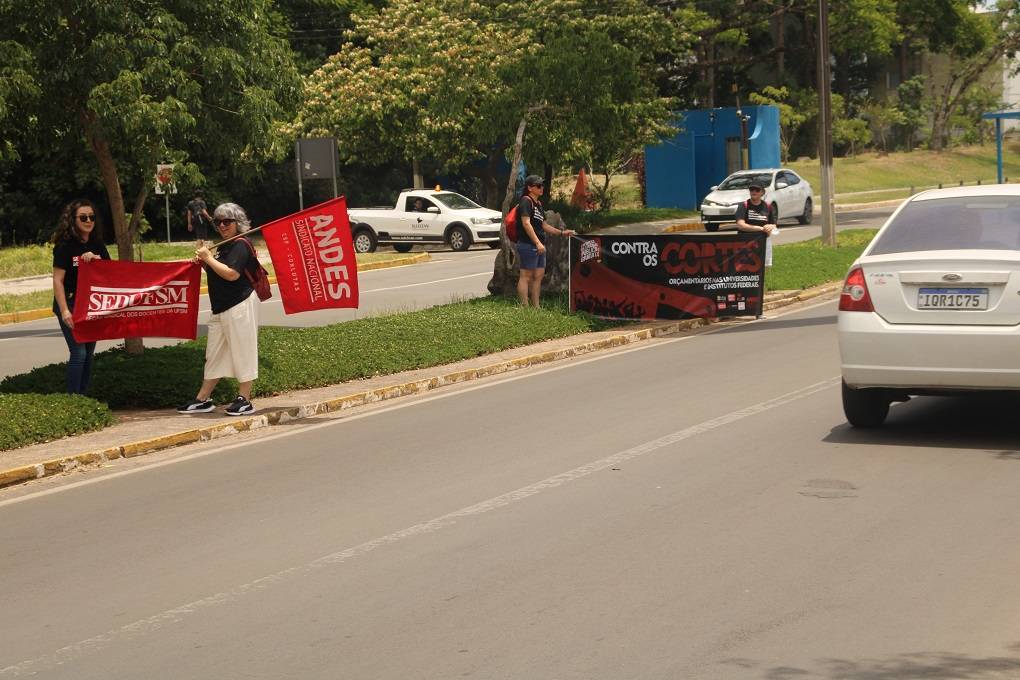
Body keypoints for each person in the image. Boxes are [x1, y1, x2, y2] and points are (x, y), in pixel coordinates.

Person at [177, 203, 260, 416]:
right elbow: (218, 271)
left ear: (237, 222)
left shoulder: (241, 244)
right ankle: (203, 398)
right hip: (220, 307)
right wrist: (204, 263)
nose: (222, 225)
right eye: (218, 221)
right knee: (213, 355)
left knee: (243, 349)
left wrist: (208, 258)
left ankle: (245, 398)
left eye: (227, 221)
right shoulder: (225, 245)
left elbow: (232, 273)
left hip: (239, 304)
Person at [51, 199, 111, 395]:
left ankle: (83, 397)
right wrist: (65, 311)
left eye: (91, 217)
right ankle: (73, 398)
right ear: (73, 220)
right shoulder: (65, 246)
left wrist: (97, 259)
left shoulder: (97, 243)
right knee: (79, 352)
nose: (88, 221)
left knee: (89, 354)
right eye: (83, 217)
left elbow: (110, 271)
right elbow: (57, 280)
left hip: (90, 305)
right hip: (70, 303)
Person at [515, 174, 575, 307]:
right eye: (538, 186)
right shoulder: (525, 201)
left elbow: (543, 225)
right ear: (530, 188)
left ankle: (536, 307)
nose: (541, 188)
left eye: (542, 185)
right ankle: (524, 308)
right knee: (526, 276)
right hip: (528, 244)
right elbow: (526, 223)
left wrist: (562, 233)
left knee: (538, 275)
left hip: (539, 245)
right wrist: (537, 242)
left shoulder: (539, 204)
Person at [733, 180, 777, 319]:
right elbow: (740, 225)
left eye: (757, 190)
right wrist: (758, 228)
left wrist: (770, 227)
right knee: (742, 274)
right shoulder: (744, 205)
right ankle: (736, 308)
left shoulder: (768, 207)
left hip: (762, 245)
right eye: (752, 189)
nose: (754, 192)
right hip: (745, 245)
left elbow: (773, 224)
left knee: (760, 275)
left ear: (762, 192)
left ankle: (757, 309)